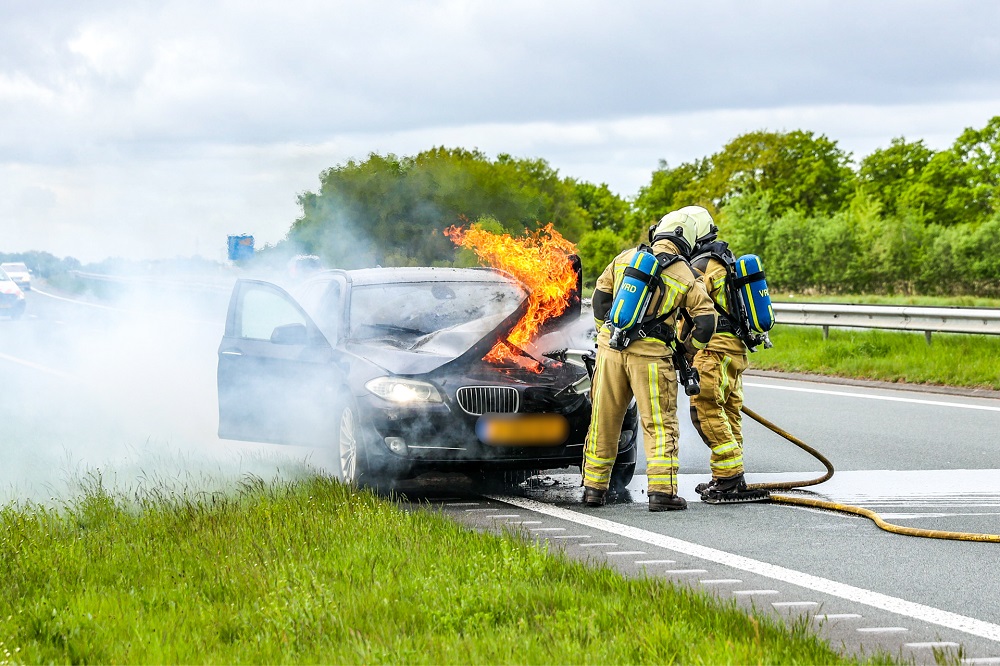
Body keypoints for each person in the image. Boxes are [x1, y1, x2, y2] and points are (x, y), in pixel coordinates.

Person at [581, 210, 717, 511]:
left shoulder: (625, 258)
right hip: (653, 360)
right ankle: (661, 493)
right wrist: (687, 349)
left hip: (610, 354)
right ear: (688, 242)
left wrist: (608, 333)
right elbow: (706, 322)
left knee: (603, 420)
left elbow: (600, 298)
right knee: (659, 424)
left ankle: (593, 489)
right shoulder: (686, 275)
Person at [681, 205, 768, 503]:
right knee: (727, 411)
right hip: (734, 349)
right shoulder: (724, 261)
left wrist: (682, 345)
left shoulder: (702, 266)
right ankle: (727, 476)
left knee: (704, 409)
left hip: (713, 349)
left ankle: (730, 479)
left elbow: (692, 307)